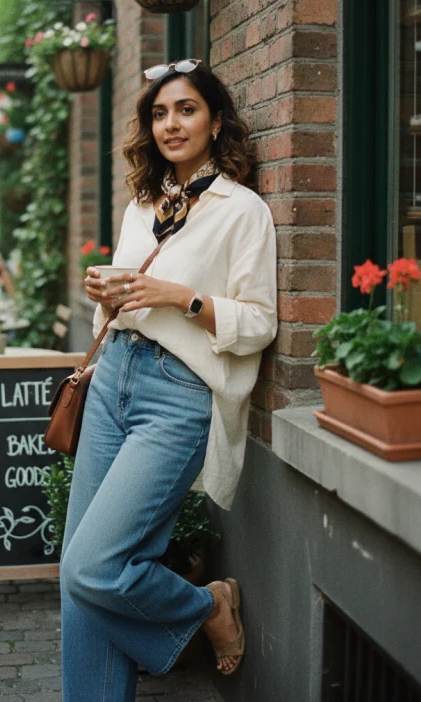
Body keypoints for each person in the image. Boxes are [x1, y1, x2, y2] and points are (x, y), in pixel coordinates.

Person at [61, 60, 277, 700]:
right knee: (79, 577)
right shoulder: (141, 205)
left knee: (94, 565)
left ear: (216, 121)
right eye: (159, 113)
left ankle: (206, 607)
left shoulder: (243, 212)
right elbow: (127, 303)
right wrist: (106, 292)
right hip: (112, 378)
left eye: (186, 109)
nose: (171, 124)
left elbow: (260, 322)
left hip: (176, 394)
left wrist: (182, 298)